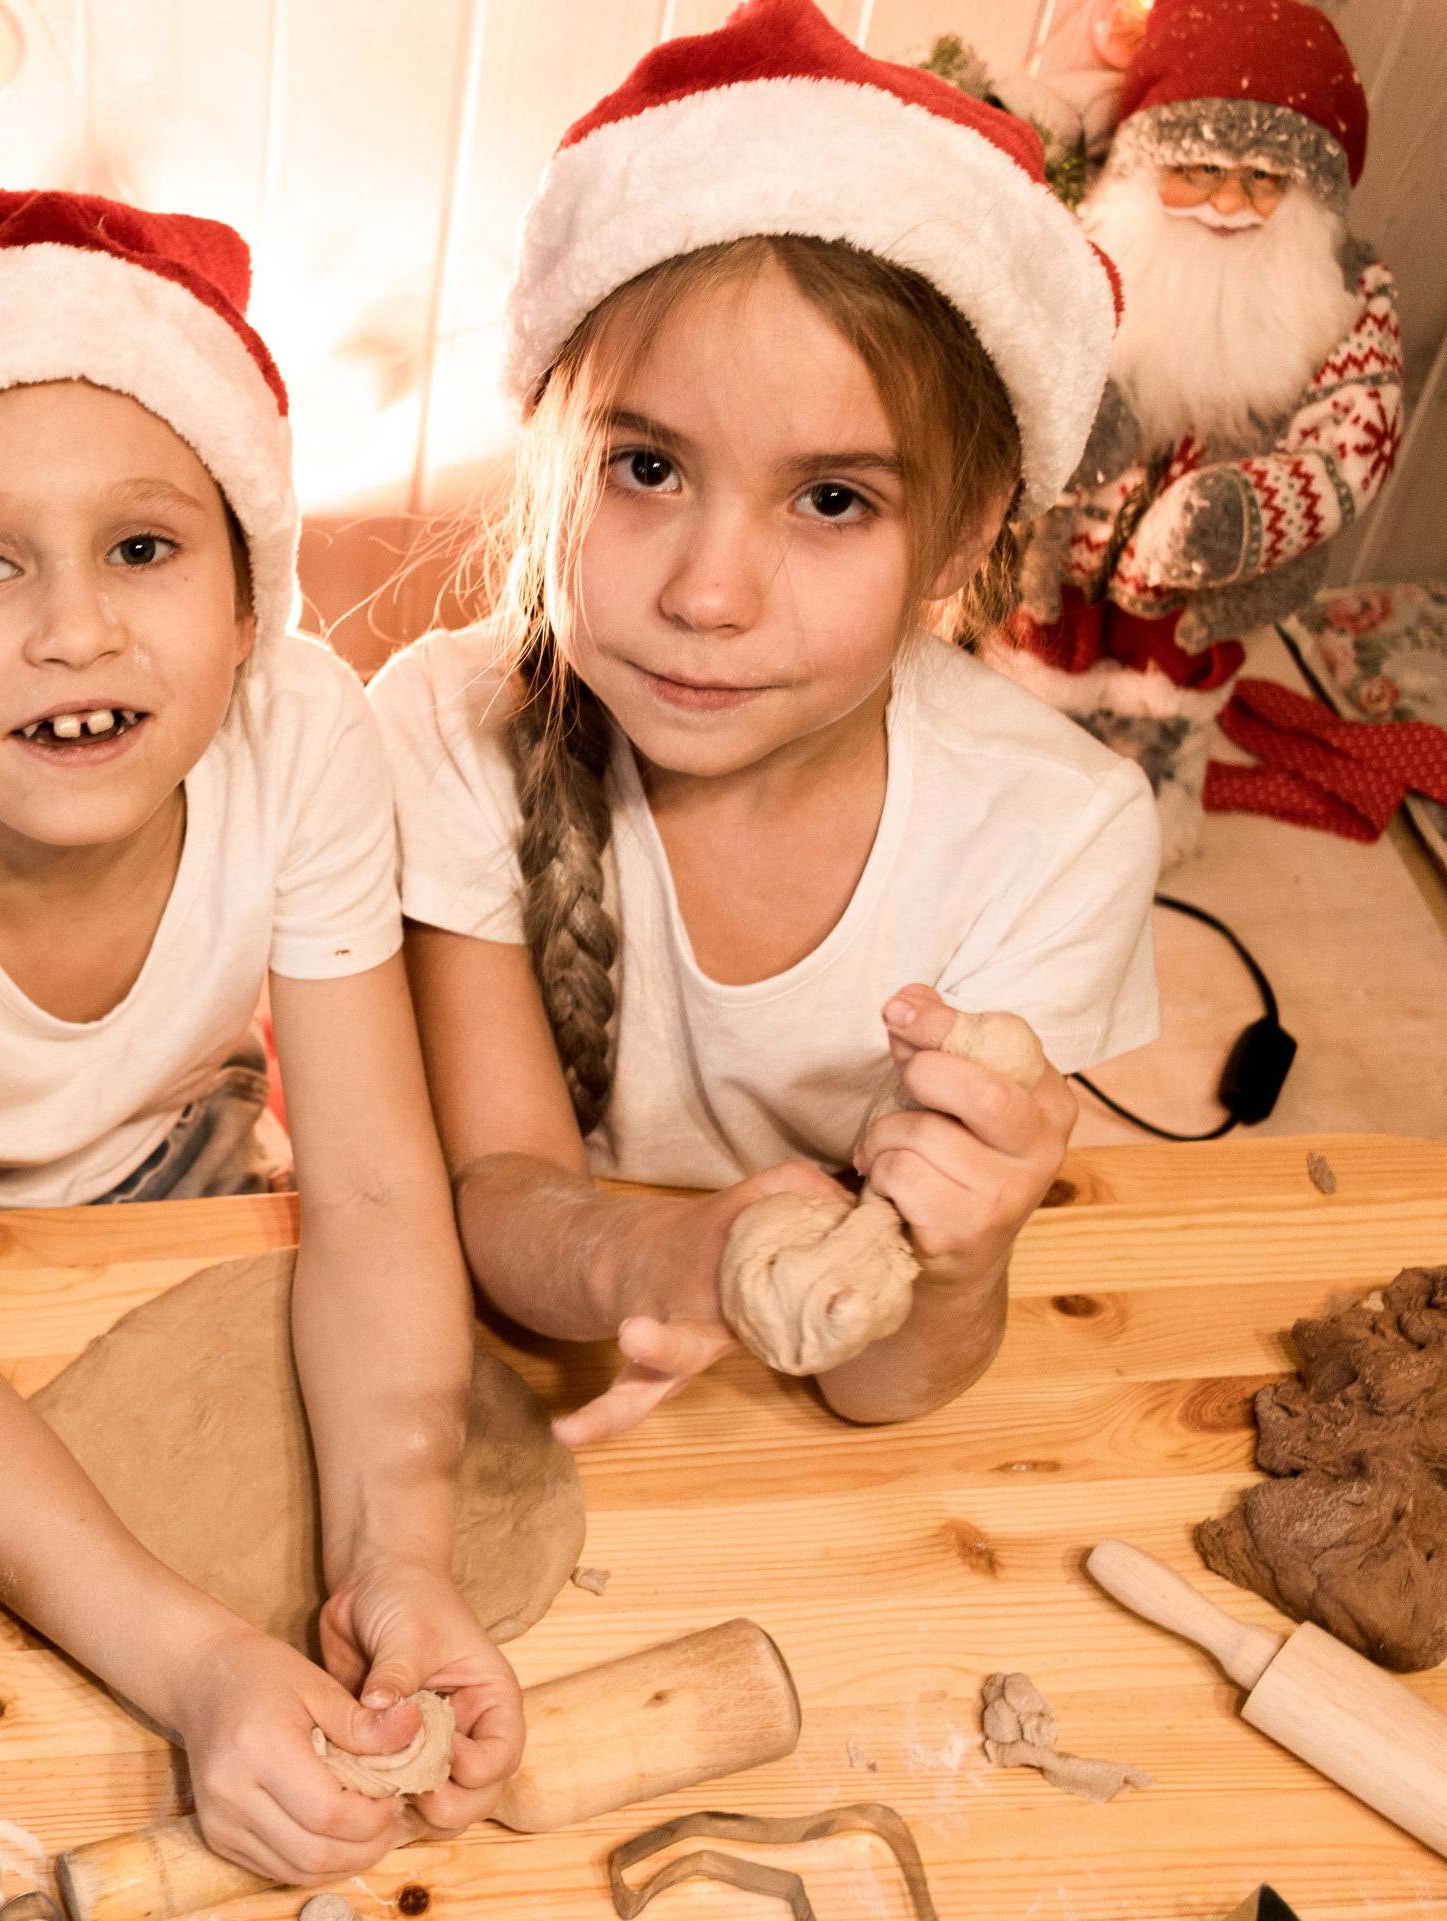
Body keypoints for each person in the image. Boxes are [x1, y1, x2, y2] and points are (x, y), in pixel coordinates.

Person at [0, 190, 522, 1881]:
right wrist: (201, 1668)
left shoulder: (305, 735)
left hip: (179, 1168)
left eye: (144, 546)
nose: (80, 630)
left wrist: (400, 1553)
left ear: (240, 592)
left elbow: (365, 1194)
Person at [369, 0, 1161, 1440]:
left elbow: (881, 1393)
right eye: (650, 467)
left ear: (966, 532)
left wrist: (961, 1263)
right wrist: (687, 1255)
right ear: (550, 447)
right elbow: (500, 1187)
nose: (710, 595)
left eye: (833, 499)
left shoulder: (1058, 832)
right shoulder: (443, 729)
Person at [986, 0, 1402, 862]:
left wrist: (1245, 511)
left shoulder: (1351, 296)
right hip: (1058, 573)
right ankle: (1004, 808)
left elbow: (1351, 447)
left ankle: (1145, 816)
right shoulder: (1091, 247)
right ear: (1147, 164)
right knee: (1018, 705)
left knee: (1161, 722)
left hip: (1193, 604)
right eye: (1201, 167)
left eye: (1264, 180)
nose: (1227, 202)